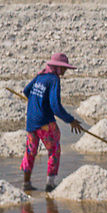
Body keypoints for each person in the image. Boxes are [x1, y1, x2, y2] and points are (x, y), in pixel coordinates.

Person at [21, 53, 83, 192]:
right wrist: (71, 120)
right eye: (64, 69)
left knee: (30, 152)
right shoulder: (53, 79)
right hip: (45, 122)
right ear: (57, 68)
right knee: (54, 150)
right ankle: (50, 184)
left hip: (31, 121)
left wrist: (35, 101)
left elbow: (26, 90)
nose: (65, 72)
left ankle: (26, 183)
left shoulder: (40, 76)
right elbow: (55, 106)